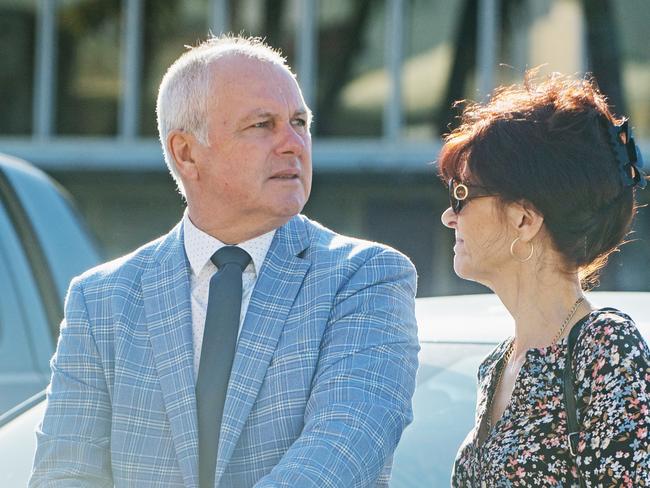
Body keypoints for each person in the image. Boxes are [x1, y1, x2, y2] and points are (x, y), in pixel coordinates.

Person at [30, 35, 419, 488]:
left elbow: (339, 453)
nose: (293, 143)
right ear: (187, 153)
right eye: (262, 125)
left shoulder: (365, 278)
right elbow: (64, 473)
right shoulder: (101, 300)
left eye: (299, 122)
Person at [439, 72, 650, 486]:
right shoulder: (496, 366)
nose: (449, 216)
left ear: (524, 219)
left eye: (461, 195)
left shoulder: (606, 349)